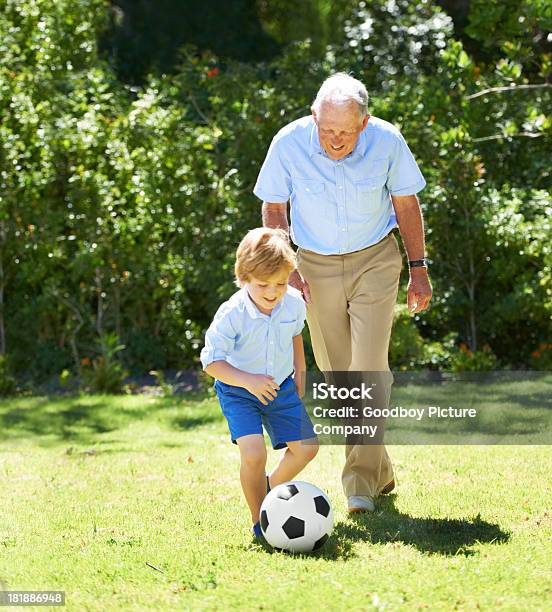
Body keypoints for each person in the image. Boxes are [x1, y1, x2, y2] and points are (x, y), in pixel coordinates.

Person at [254, 72, 432, 513]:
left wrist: (419, 268)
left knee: (368, 369)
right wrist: (285, 267)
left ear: (364, 123)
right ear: (314, 117)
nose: (335, 141)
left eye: (346, 132)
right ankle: (380, 468)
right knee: (339, 377)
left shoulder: (387, 141)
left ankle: (359, 484)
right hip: (313, 266)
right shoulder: (289, 142)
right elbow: (274, 208)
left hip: (376, 259)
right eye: (327, 130)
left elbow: (407, 203)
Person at [200, 227, 319, 538]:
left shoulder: (292, 302)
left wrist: (300, 368)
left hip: (280, 387)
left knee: (307, 448)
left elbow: (295, 334)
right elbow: (211, 362)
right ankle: (260, 521)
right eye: (263, 284)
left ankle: (269, 487)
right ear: (244, 278)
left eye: (280, 283)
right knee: (254, 453)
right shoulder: (231, 314)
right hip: (239, 390)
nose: (272, 292)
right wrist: (248, 381)